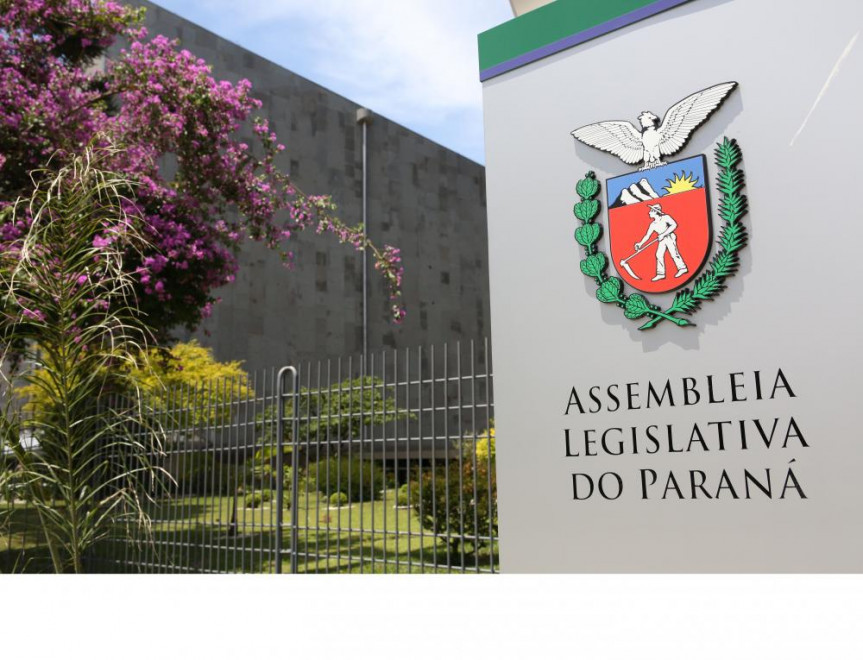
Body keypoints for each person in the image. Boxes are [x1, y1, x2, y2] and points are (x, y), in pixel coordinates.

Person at [635, 203, 688, 281]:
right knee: (659, 254)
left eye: (650, 211)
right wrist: (640, 243)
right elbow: (647, 236)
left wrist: (663, 234)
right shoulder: (652, 224)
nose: (649, 212)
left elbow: (674, 225)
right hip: (662, 239)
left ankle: (682, 268)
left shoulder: (666, 217)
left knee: (674, 253)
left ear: (655, 211)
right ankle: (661, 274)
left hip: (669, 236)